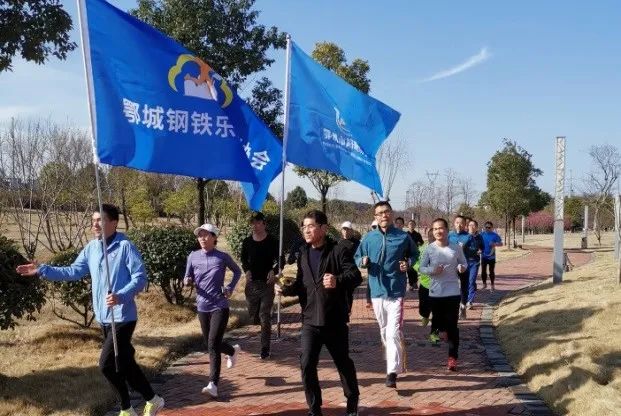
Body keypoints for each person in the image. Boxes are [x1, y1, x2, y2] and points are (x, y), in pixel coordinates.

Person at [16, 204, 164, 416]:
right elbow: (73, 271)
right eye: (93, 220)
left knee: (106, 365)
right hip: (103, 317)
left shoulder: (125, 247)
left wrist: (121, 295)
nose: (94, 224)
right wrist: (42, 270)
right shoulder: (92, 248)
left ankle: (126, 409)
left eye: (100, 220)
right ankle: (153, 400)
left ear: (114, 223)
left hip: (122, 316)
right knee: (125, 363)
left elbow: (140, 278)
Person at [276, 210, 361, 416]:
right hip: (310, 320)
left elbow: (355, 276)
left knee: (343, 363)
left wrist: (337, 280)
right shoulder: (303, 253)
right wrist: (285, 289)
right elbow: (302, 284)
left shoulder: (338, 251)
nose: (306, 230)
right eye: (304, 227)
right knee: (306, 364)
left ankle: (352, 401)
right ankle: (314, 408)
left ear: (323, 228)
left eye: (311, 226)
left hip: (334, 320)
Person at [355, 201, 419, 388]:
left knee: (392, 332)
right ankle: (394, 358)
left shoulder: (403, 236)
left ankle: (392, 372)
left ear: (391, 214)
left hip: (396, 290)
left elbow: (415, 254)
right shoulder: (369, 238)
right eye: (380, 213)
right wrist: (363, 261)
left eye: (387, 212)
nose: (384, 215)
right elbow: (357, 257)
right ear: (375, 217)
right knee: (384, 330)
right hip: (376, 290)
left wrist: (408, 263)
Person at [184, 223, 242, 398]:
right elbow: (187, 276)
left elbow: (237, 271)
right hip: (202, 306)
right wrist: (187, 280)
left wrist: (230, 287)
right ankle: (232, 351)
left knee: (212, 344)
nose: (202, 238)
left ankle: (213, 384)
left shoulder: (222, 257)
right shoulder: (193, 256)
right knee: (211, 343)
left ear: (214, 237)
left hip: (220, 306)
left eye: (206, 235)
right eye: (199, 235)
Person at [419, 218, 467, 371]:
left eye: (441, 228)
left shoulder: (456, 248)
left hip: (452, 291)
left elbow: (464, 263)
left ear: (447, 230)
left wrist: (461, 267)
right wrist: (433, 270)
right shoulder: (429, 249)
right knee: (438, 321)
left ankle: (452, 357)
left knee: (453, 325)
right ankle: (438, 332)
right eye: (435, 229)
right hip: (435, 292)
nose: (438, 231)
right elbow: (421, 268)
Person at [240, 212, 279, 359]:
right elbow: (243, 259)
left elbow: (280, 260)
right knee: (253, 315)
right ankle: (258, 319)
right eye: (253, 223)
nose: (255, 226)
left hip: (267, 284)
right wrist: (247, 270)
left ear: (264, 224)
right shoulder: (247, 242)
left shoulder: (273, 241)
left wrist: (274, 271)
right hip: (252, 284)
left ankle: (265, 348)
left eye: (258, 223)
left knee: (264, 316)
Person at [448, 215, 473, 319]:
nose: (459, 225)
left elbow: (473, 250)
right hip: (451, 265)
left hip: (463, 265)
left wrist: (464, 249)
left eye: (461, 223)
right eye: (457, 222)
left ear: (465, 225)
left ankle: (463, 305)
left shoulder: (468, 236)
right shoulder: (449, 235)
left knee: (464, 286)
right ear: (454, 223)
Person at [339, 221, 362, 313]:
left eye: (348, 230)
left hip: (351, 271)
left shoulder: (357, 243)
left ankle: (348, 311)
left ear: (351, 231)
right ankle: (343, 311)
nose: (346, 231)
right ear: (341, 231)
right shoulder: (338, 242)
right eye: (344, 229)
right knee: (341, 292)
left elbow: (360, 255)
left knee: (348, 292)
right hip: (340, 271)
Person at [464, 220, 484, 308]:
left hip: (475, 262)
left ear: (476, 227)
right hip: (464, 262)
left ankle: (470, 301)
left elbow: (482, 247)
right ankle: (464, 298)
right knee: (465, 281)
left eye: (473, 225)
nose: (471, 227)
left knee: (471, 281)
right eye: (470, 225)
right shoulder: (464, 236)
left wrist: (481, 250)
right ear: (467, 227)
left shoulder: (479, 237)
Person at [481, 221, 503, 291]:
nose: (487, 228)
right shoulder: (481, 234)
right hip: (483, 256)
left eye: (489, 227)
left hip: (491, 257)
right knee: (483, 271)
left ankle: (492, 285)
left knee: (491, 271)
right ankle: (484, 285)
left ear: (492, 228)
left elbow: (501, 244)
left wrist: (495, 244)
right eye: (486, 227)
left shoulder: (495, 235)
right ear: (484, 227)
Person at [406, 220, 425, 291]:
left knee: (415, 269)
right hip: (407, 254)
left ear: (415, 225)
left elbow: (422, 242)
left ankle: (415, 283)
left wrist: (419, 243)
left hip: (415, 254)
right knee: (409, 270)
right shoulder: (405, 234)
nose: (411, 225)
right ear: (408, 225)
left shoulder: (417, 234)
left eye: (413, 224)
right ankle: (411, 284)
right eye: (410, 224)